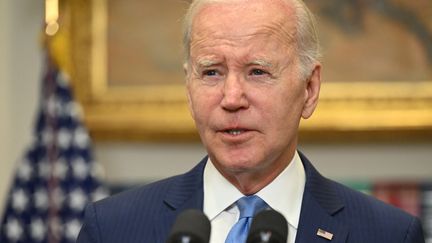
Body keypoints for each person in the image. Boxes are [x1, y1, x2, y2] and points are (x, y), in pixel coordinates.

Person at [77, 0, 425, 242]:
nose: (231, 98)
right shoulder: (113, 228)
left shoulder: (387, 233)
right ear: (188, 87)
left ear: (309, 88)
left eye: (257, 72)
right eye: (211, 72)